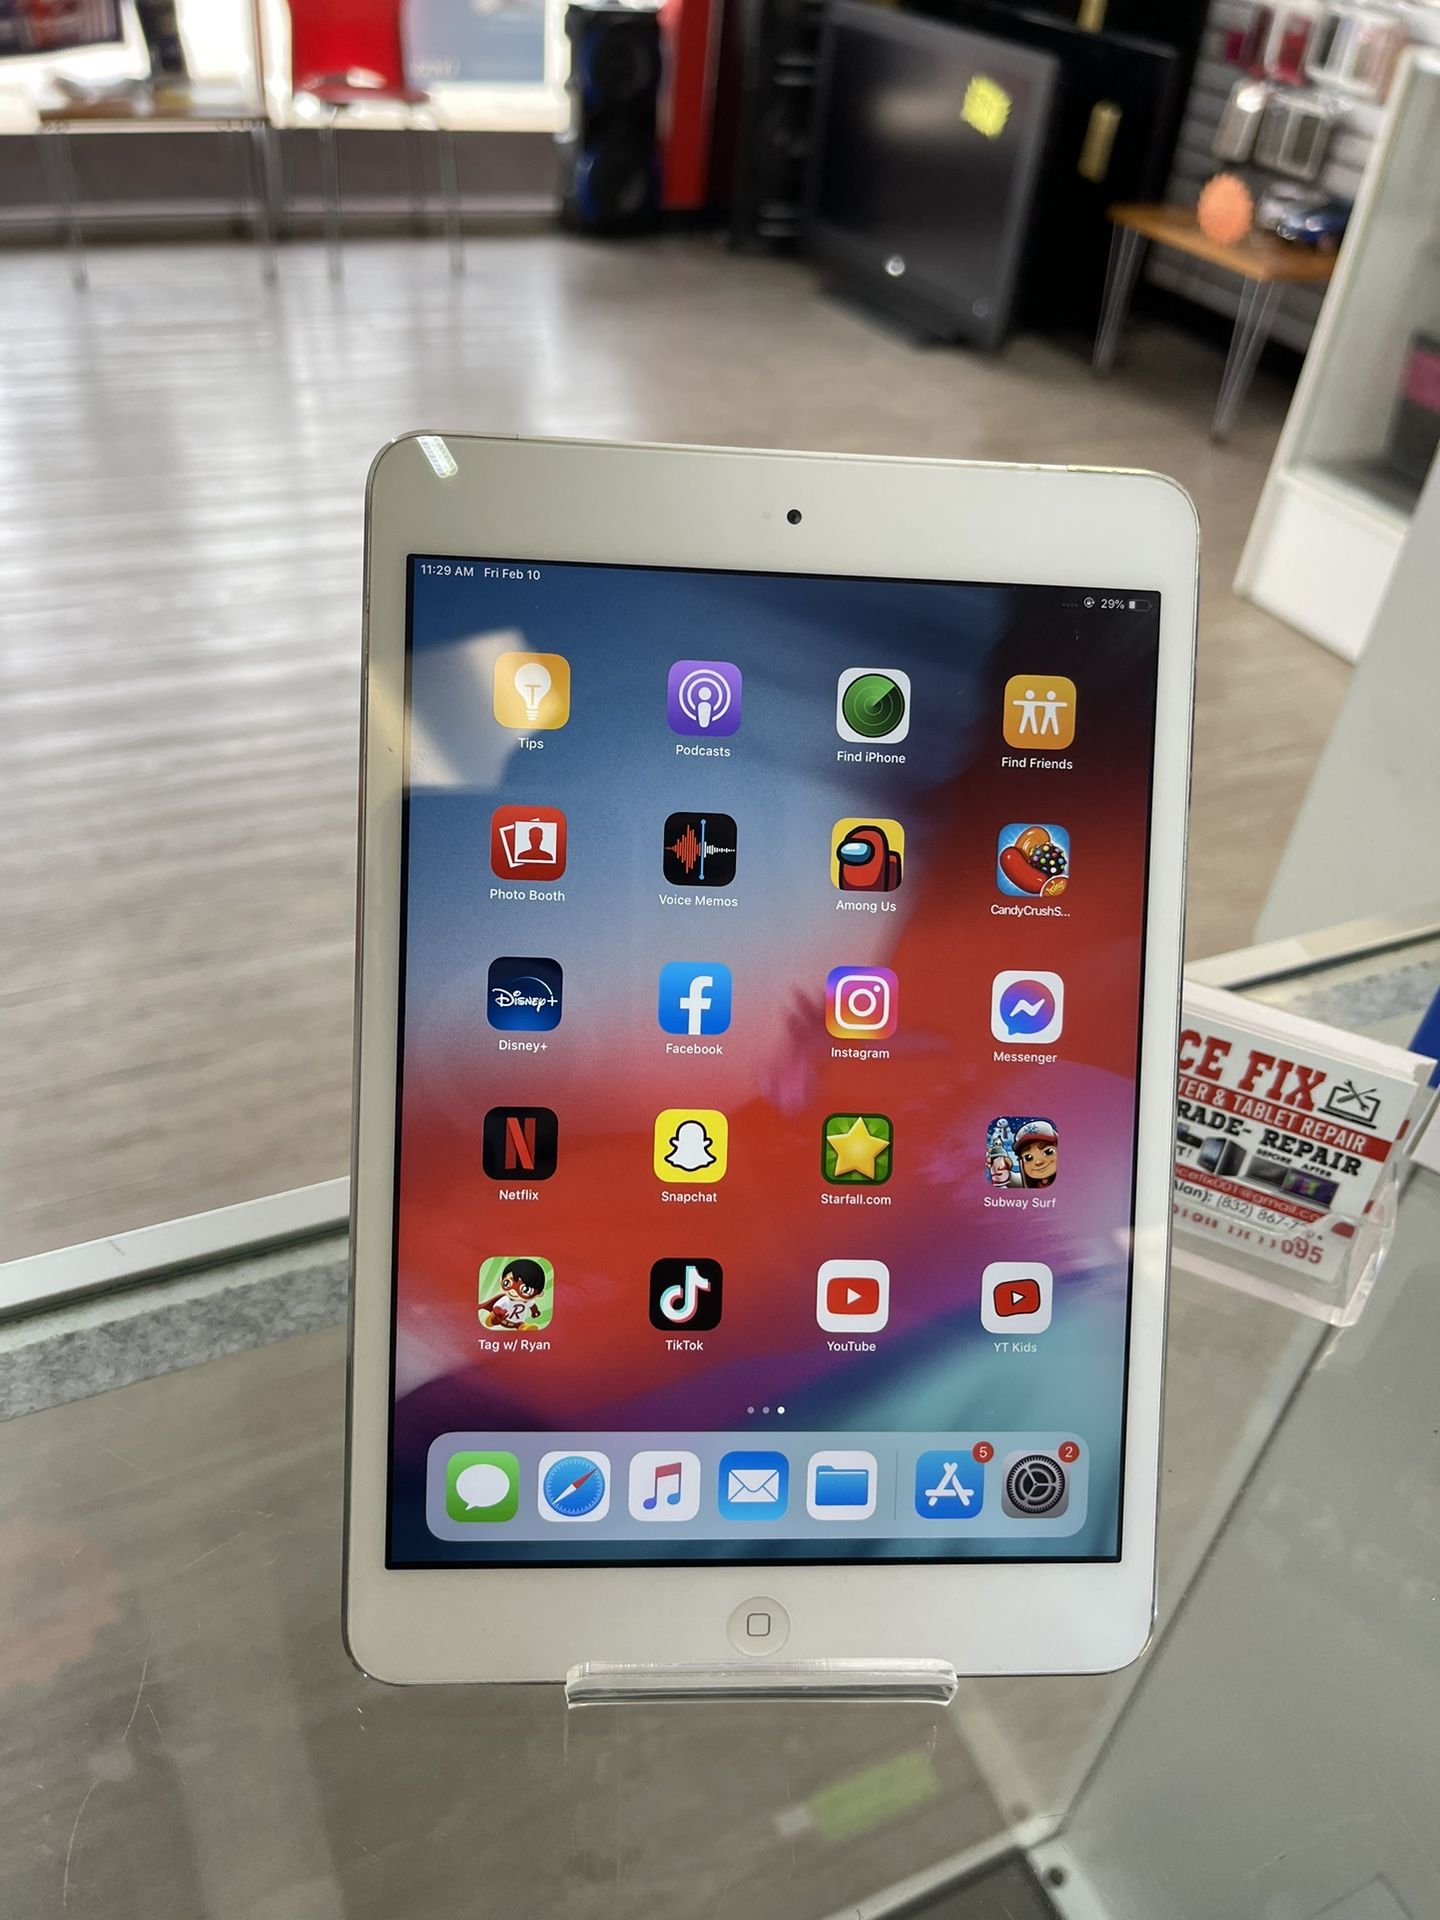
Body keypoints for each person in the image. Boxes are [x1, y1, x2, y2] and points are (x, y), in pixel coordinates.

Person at [479, 1258, 548, 1332]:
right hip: (502, 1319)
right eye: (507, 1283)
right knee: (494, 1320)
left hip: (517, 1323)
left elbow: (533, 1306)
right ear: (501, 1280)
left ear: (539, 1294)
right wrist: (499, 1312)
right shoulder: (506, 1299)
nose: (513, 1291)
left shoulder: (528, 1302)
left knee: (522, 1326)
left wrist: (535, 1312)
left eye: (525, 1289)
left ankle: (524, 1328)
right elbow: (496, 1307)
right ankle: (492, 1320)